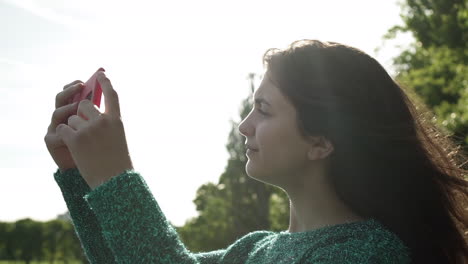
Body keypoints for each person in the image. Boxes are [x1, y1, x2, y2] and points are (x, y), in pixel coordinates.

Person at [44, 39, 468, 263]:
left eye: (263, 110)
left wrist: (117, 180)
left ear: (322, 141)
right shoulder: (253, 251)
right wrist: (78, 173)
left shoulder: (370, 253)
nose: (245, 126)